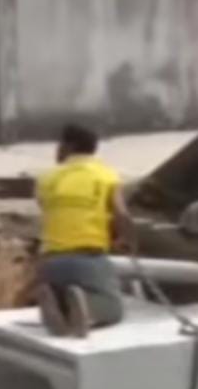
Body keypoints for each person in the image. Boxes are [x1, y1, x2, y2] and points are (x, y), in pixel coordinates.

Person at [35, 123, 131, 337]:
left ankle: (56, 303)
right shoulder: (106, 175)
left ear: (68, 146)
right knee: (112, 309)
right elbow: (121, 213)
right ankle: (87, 311)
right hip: (89, 257)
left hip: (50, 261)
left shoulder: (46, 178)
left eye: (59, 145)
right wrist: (125, 239)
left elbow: (47, 209)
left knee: (66, 292)